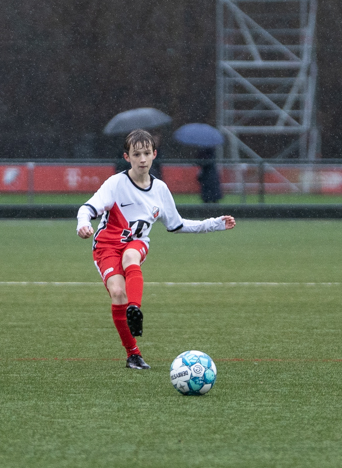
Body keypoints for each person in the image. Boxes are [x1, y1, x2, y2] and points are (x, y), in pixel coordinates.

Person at [77, 129, 236, 369]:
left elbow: (177, 225)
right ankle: (133, 354)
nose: (142, 159)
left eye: (146, 153)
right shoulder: (116, 184)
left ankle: (135, 309)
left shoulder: (160, 189)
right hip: (106, 246)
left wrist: (213, 223)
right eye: (136, 154)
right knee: (118, 293)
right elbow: (87, 208)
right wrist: (83, 224)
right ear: (127, 157)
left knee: (131, 255)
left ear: (154, 154)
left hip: (136, 243)